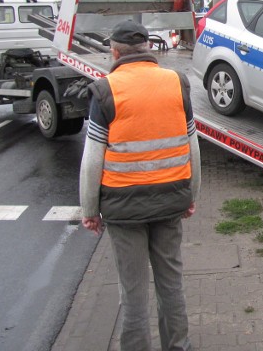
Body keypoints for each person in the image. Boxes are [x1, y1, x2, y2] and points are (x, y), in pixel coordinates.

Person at [79, 20, 201, 351]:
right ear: (147, 49)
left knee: (132, 294)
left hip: (123, 210)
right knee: (171, 286)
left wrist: (90, 210)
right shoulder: (176, 83)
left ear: (115, 52)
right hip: (169, 202)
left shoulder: (105, 90)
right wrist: (191, 196)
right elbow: (193, 145)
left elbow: (92, 159)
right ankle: (179, 346)